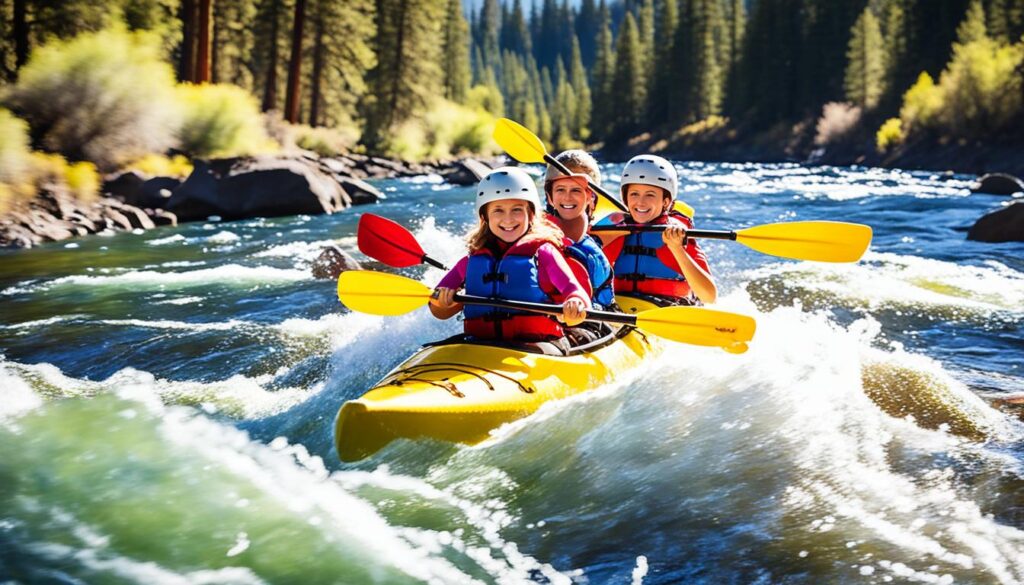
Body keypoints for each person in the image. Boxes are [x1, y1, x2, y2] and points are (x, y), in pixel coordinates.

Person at [429, 167, 591, 348]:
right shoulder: (471, 260)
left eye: (516, 209)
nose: (508, 219)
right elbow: (439, 311)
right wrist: (443, 301)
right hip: (481, 345)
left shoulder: (544, 252)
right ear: (485, 217)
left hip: (538, 346)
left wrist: (575, 302)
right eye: (498, 210)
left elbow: (574, 289)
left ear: (530, 214)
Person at [595, 155, 717, 305]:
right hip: (619, 307)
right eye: (634, 194)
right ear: (625, 198)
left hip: (667, 310)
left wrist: (677, 248)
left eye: (650, 195)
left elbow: (709, 297)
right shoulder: (612, 227)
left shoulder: (677, 233)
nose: (640, 202)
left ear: (666, 202)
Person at [543, 150, 616, 311]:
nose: (567, 197)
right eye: (560, 189)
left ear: (591, 196)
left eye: (576, 190)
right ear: (550, 197)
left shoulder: (594, 249)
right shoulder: (530, 233)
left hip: (588, 320)